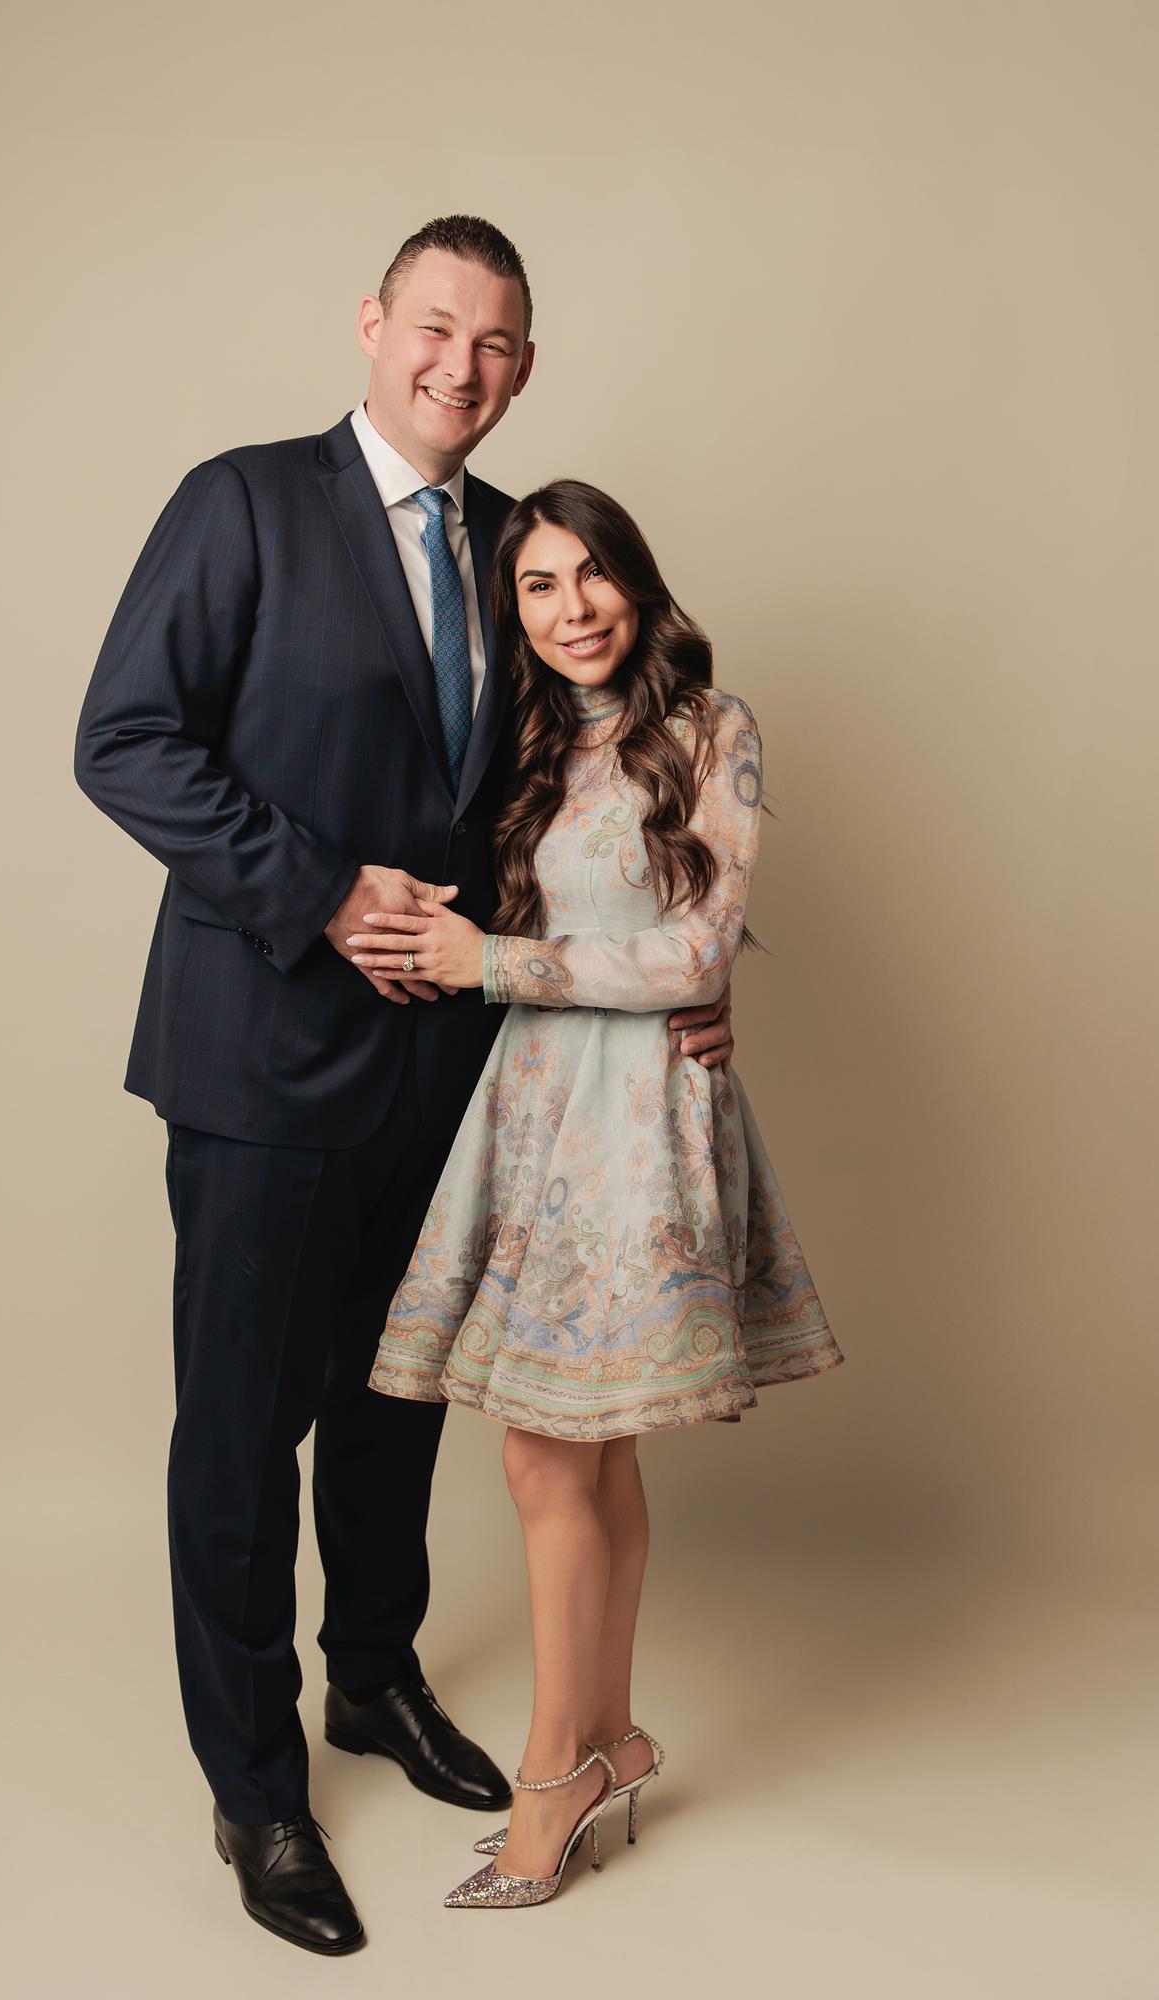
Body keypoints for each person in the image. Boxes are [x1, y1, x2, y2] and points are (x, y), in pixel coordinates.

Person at [74, 217, 735, 1956]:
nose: (463, 364)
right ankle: (256, 1785)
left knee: (395, 1407)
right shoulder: (241, 504)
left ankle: (371, 1678)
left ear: (526, 366)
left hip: (457, 1072)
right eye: (436, 326)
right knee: (242, 1433)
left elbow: (606, 787)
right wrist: (317, 892)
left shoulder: (523, 547)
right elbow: (124, 738)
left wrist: (690, 972)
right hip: (263, 1052)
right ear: (372, 325)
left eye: (497, 341)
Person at [359, 479, 846, 1910]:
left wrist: (491, 966)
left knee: (549, 1457)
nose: (571, 609)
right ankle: (613, 1739)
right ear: (511, 610)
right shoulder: (519, 740)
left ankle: (551, 1777)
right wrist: (447, 938)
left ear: (637, 582)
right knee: (586, 1451)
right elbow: (544, 921)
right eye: (537, 585)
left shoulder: (711, 728)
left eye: (593, 576)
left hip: (636, 1117)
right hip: (532, 1107)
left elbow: (695, 955)